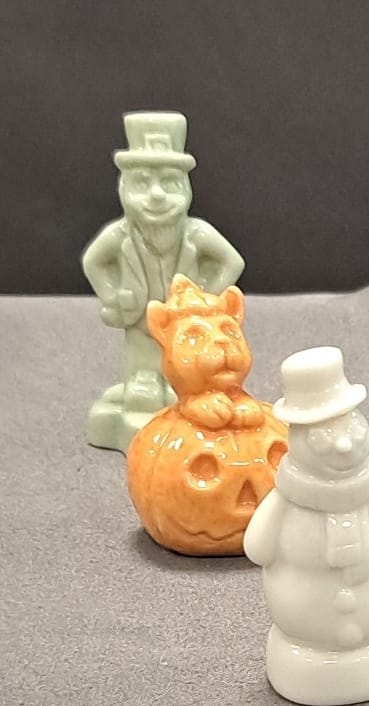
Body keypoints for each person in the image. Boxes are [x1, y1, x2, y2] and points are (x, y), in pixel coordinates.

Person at [81, 112, 244, 452]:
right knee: (141, 358)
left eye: (168, 184)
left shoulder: (196, 233)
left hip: (184, 323)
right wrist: (112, 297)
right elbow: (93, 261)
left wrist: (207, 301)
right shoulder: (120, 235)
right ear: (124, 187)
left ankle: (180, 387)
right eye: (142, 184)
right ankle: (142, 384)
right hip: (139, 315)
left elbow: (232, 261)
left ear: (185, 188)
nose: (156, 195)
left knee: (182, 363)